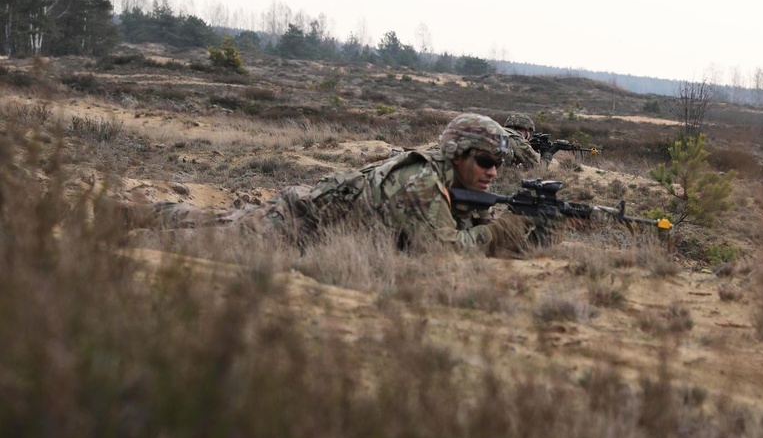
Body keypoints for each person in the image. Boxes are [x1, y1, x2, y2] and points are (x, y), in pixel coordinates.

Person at [127, 113, 546, 257]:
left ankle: (134, 211)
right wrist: (499, 230)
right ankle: (121, 224)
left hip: (312, 215)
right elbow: (444, 253)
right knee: (212, 240)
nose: (493, 172)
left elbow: (462, 228)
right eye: (487, 161)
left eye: (499, 164)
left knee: (216, 221)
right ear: (460, 154)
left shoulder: (450, 177)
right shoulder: (420, 180)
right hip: (300, 223)